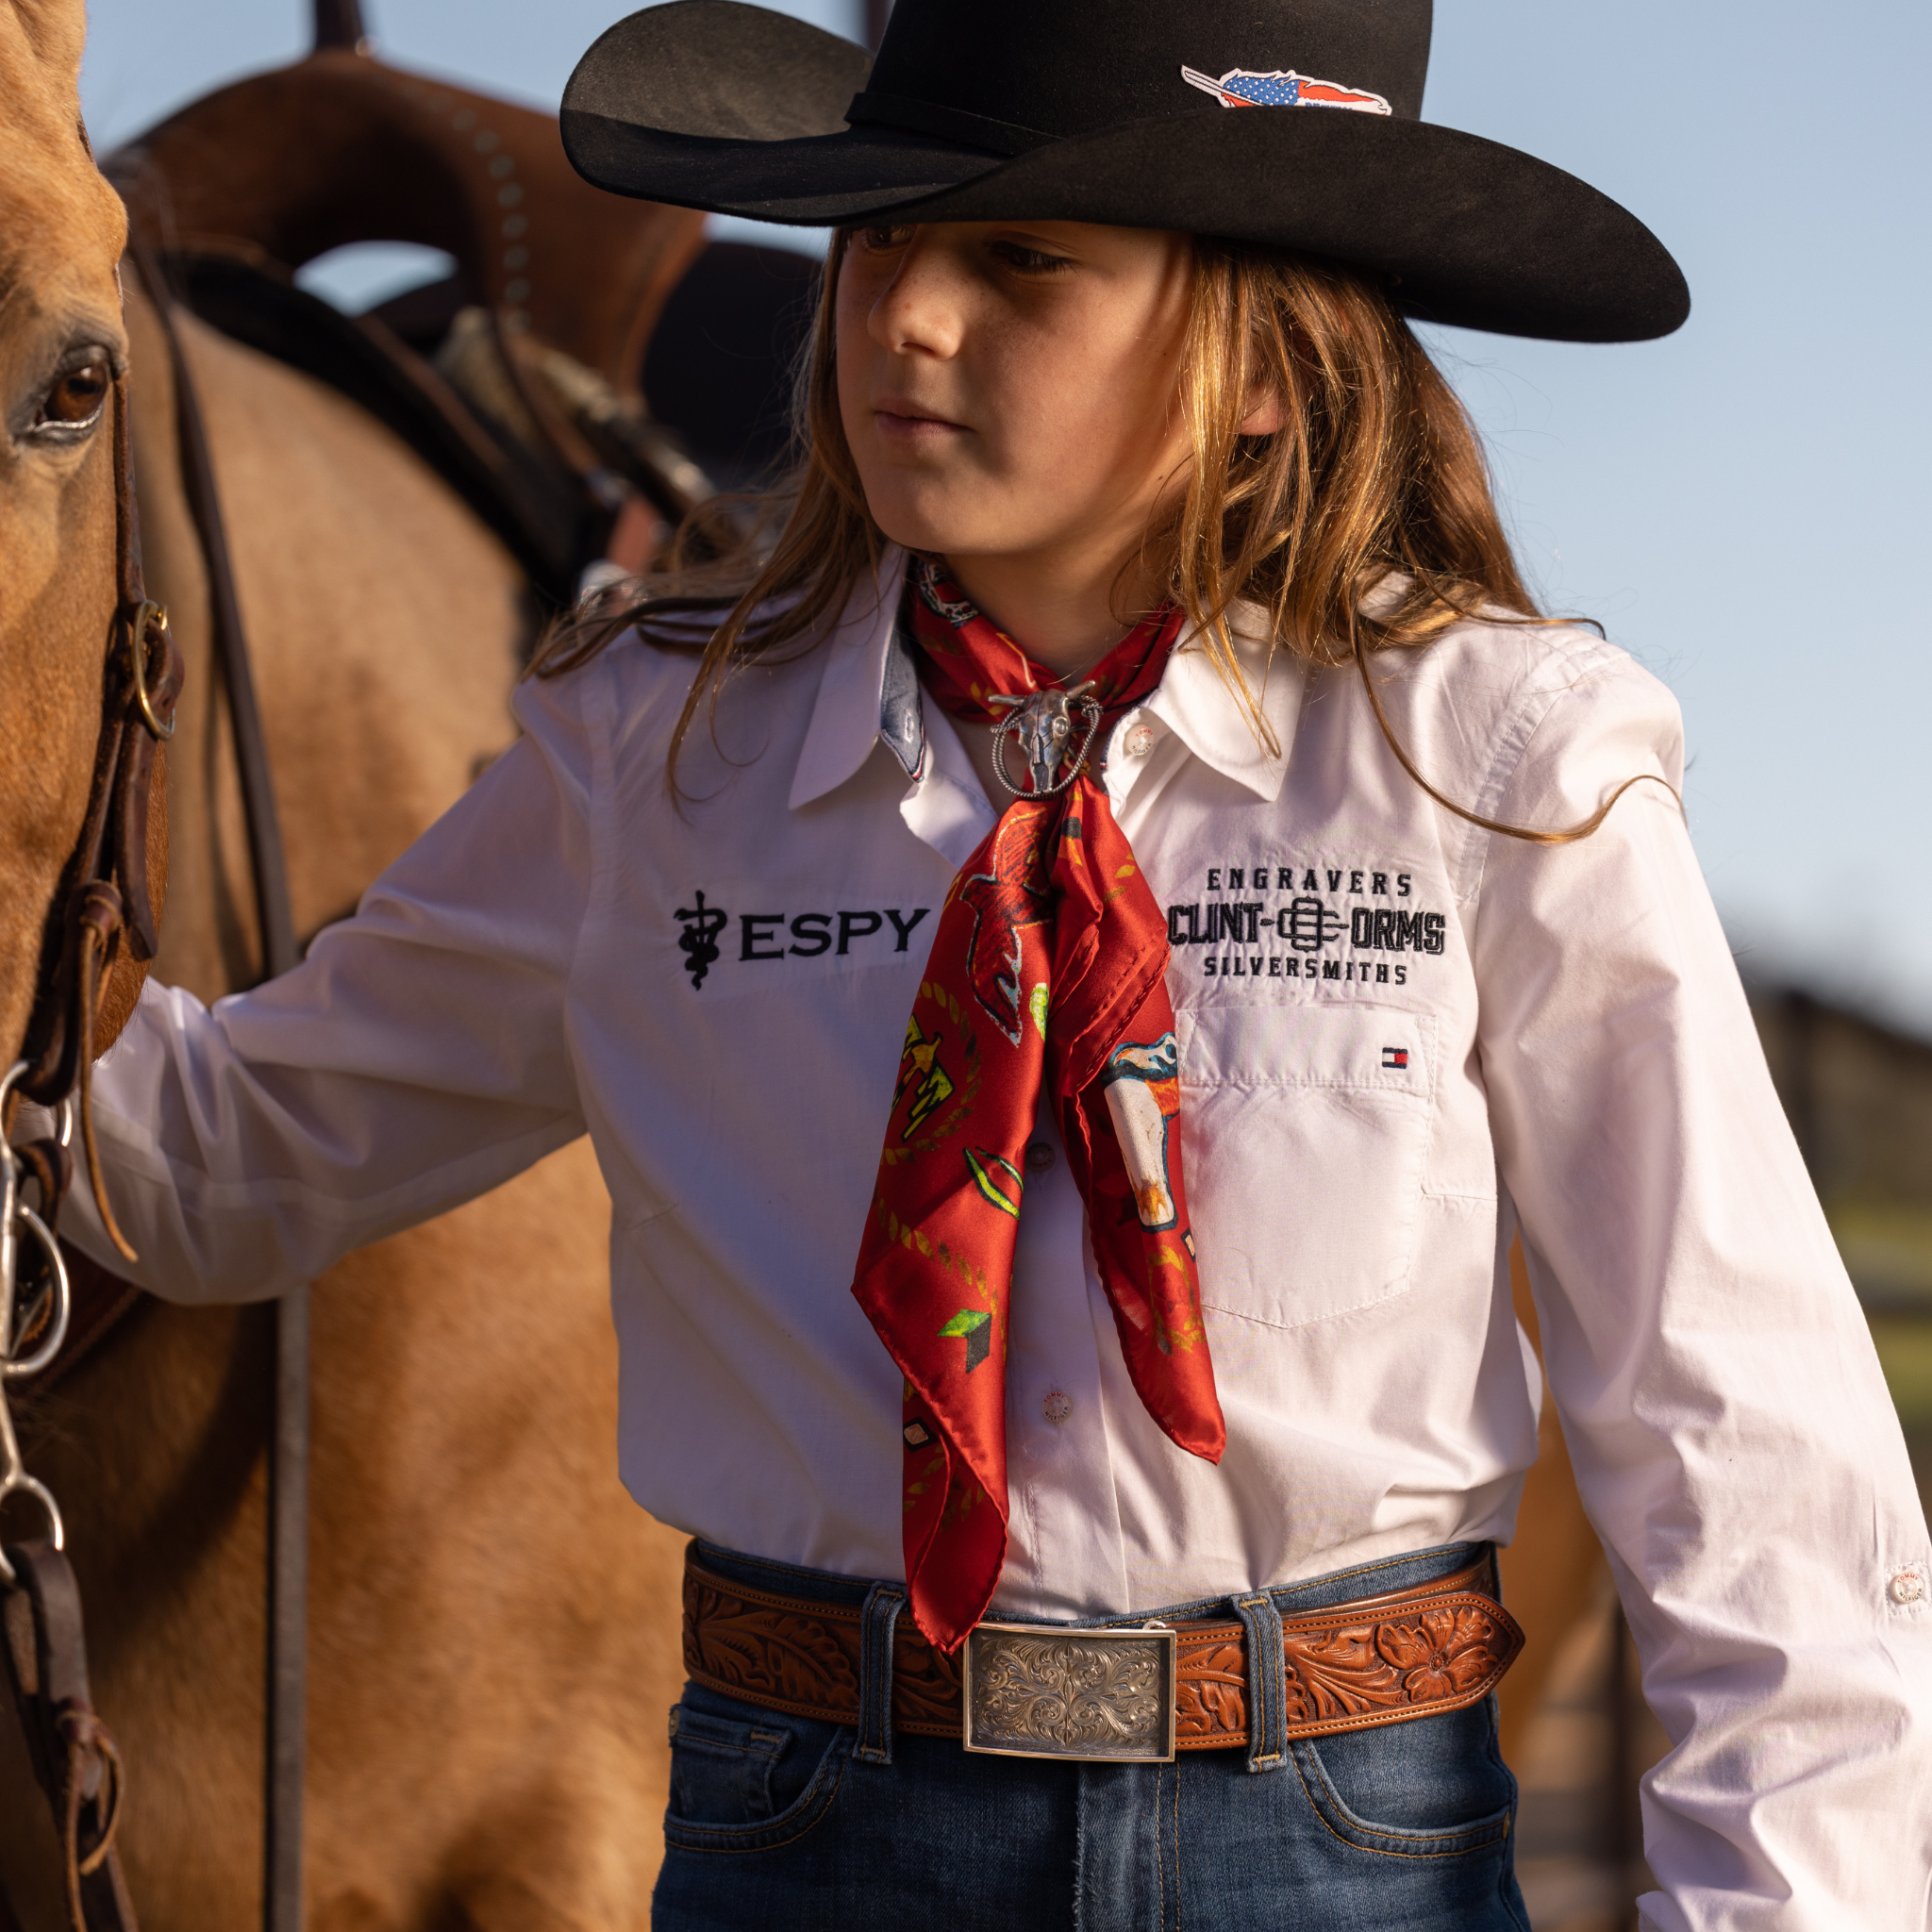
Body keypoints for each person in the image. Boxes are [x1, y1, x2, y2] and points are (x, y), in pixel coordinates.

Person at [45, 1, 1932, 1926]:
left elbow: (1742, 1447)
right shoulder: (649, 760)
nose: (903, 319)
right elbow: (209, 1167)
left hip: (1339, 1849)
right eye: (876, 243)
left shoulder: (1503, 768)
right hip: (808, 1835)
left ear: (1264, 357)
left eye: (1019, 258)